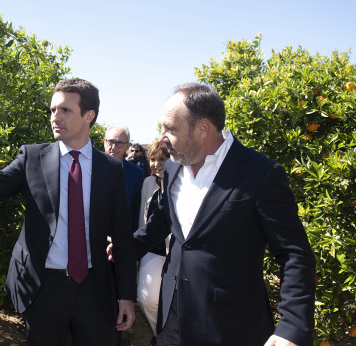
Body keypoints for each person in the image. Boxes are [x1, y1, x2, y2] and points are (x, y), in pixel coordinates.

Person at [111, 82, 315, 345]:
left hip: (231, 326)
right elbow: (162, 222)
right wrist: (126, 246)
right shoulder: (173, 169)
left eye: (170, 129)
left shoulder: (260, 174)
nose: (162, 137)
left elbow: (294, 253)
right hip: (171, 322)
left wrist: (292, 326)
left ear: (202, 129)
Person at [0, 78, 137, 345]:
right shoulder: (32, 158)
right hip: (42, 287)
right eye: (53, 110)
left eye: (65, 110)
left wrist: (126, 295)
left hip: (94, 287)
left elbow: (123, 236)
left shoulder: (111, 169)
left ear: (89, 116)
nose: (55, 117)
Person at [136, 140, 169, 346]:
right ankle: (160, 335)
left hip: (177, 253)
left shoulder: (183, 182)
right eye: (153, 159)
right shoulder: (148, 183)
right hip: (153, 250)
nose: (157, 164)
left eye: (162, 159)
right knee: (146, 299)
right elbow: (143, 218)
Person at [103, 126, 145, 231]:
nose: (113, 147)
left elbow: (136, 211)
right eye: (110, 142)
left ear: (127, 146)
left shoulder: (136, 174)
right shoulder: (89, 167)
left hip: (121, 239)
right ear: (104, 141)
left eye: (119, 143)